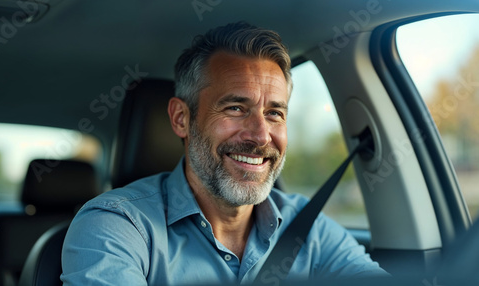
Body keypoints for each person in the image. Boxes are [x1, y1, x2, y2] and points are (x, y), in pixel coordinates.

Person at [61, 22, 387, 285]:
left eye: (275, 113)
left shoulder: (309, 227)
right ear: (181, 118)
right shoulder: (117, 225)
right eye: (235, 107)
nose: (260, 135)